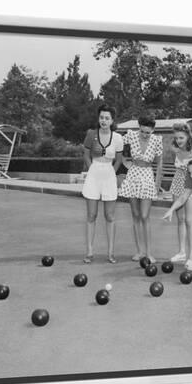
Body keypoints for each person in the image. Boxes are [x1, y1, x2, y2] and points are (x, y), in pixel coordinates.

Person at [82, 104, 124, 264]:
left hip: (109, 174)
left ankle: (111, 253)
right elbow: (85, 155)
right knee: (91, 215)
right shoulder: (91, 134)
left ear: (112, 120)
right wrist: (92, 168)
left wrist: (111, 173)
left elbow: (119, 160)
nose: (103, 121)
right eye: (101, 117)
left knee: (110, 216)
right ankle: (90, 252)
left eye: (107, 118)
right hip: (94, 174)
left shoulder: (118, 138)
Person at [118, 115, 163, 262]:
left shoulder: (157, 140)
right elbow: (118, 147)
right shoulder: (131, 135)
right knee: (136, 215)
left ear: (153, 130)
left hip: (148, 176)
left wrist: (157, 185)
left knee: (145, 215)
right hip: (133, 175)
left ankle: (149, 253)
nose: (144, 135)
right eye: (142, 131)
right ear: (139, 127)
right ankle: (139, 252)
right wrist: (126, 165)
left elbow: (160, 164)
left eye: (148, 132)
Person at [168, 123, 192, 267]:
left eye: (181, 137)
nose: (179, 140)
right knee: (180, 219)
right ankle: (182, 252)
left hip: (191, 185)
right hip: (177, 183)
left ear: (188, 135)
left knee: (189, 220)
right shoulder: (175, 148)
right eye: (176, 138)